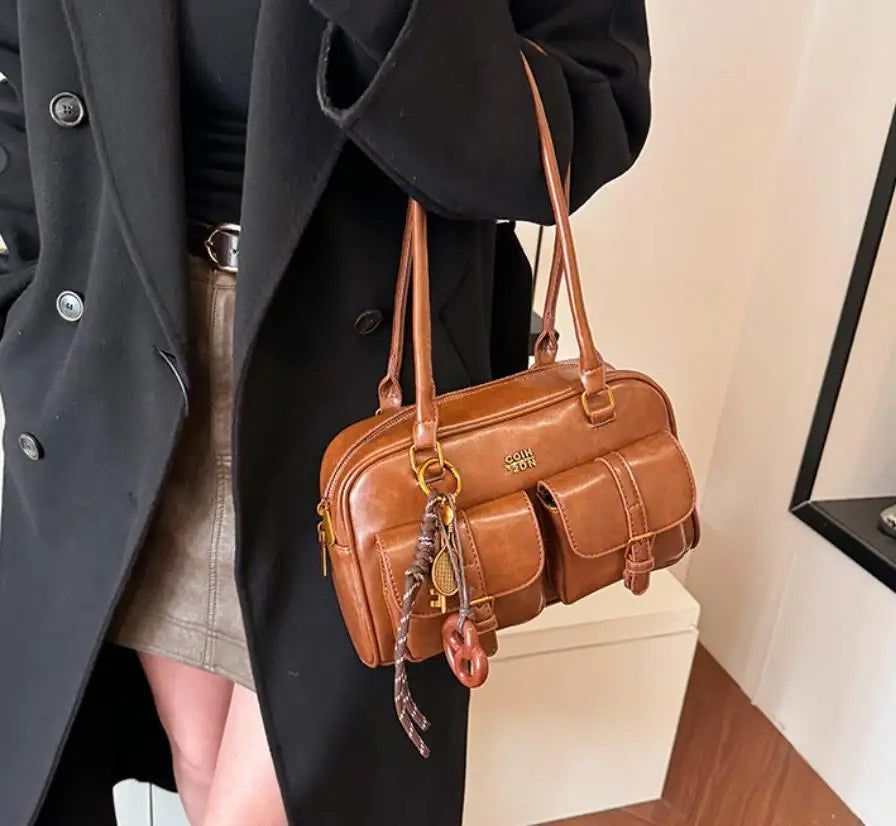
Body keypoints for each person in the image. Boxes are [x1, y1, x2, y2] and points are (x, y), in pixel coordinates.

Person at [0, 1, 652, 824]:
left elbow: (592, 115)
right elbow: (17, 65)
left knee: (281, 800)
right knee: (197, 756)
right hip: (129, 356)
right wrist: (20, 293)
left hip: (368, 393)